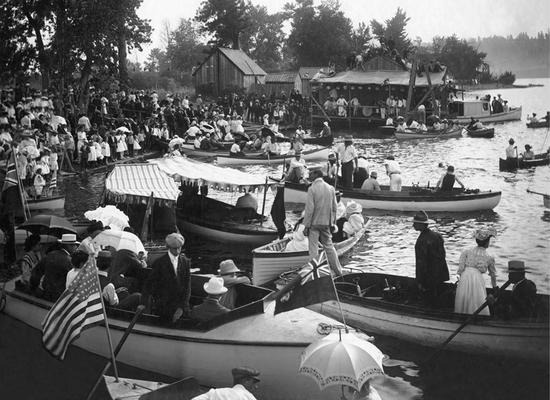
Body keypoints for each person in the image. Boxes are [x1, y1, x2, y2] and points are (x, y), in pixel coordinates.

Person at [143, 233, 191, 323]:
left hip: (181, 306)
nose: (177, 251)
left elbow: (187, 286)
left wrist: (182, 307)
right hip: (164, 306)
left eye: (179, 248)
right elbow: (150, 285)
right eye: (174, 248)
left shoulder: (186, 262)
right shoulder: (159, 263)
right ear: (168, 247)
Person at [303, 169, 343, 276]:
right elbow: (334, 207)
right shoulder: (330, 188)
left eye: (311, 174)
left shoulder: (312, 189)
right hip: (326, 223)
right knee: (329, 247)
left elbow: (309, 209)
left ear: (316, 175)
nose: (309, 176)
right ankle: (339, 271)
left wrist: (306, 226)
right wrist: (333, 223)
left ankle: (316, 273)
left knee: (313, 249)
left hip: (314, 224)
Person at [454, 227, 498, 315]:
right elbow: (493, 275)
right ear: (487, 242)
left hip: (465, 277)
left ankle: (461, 315)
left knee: (464, 299)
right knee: (476, 301)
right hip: (477, 279)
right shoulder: (489, 257)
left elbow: (460, 269)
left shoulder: (466, 251)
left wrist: (459, 279)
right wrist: (494, 287)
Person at [413, 211, 449, 307]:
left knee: (428, 301)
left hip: (428, 277)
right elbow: (442, 256)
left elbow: (421, 263)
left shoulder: (421, 241)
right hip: (440, 274)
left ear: (421, 225)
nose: (413, 225)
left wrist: (419, 281)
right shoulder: (437, 236)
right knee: (437, 297)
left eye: (415, 223)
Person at [30, 233, 80, 301]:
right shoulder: (69, 261)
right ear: (69, 246)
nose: (76, 247)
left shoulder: (50, 255)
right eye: (75, 245)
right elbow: (74, 282)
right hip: (60, 297)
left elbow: (36, 273)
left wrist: (34, 288)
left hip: (46, 293)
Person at [191, 367, 260, 400]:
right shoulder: (249, 397)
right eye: (254, 383)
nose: (256, 387)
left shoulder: (215, 392)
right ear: (246, 381)